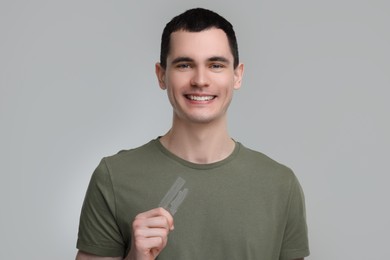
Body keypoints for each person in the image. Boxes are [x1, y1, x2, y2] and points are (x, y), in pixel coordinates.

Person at [76, 7, 309, 260]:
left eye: (216, 65)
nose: (200, 80)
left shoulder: (280, 185)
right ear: (161, 75)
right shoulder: (113, 178)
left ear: (237, 75)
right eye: (185, 64)